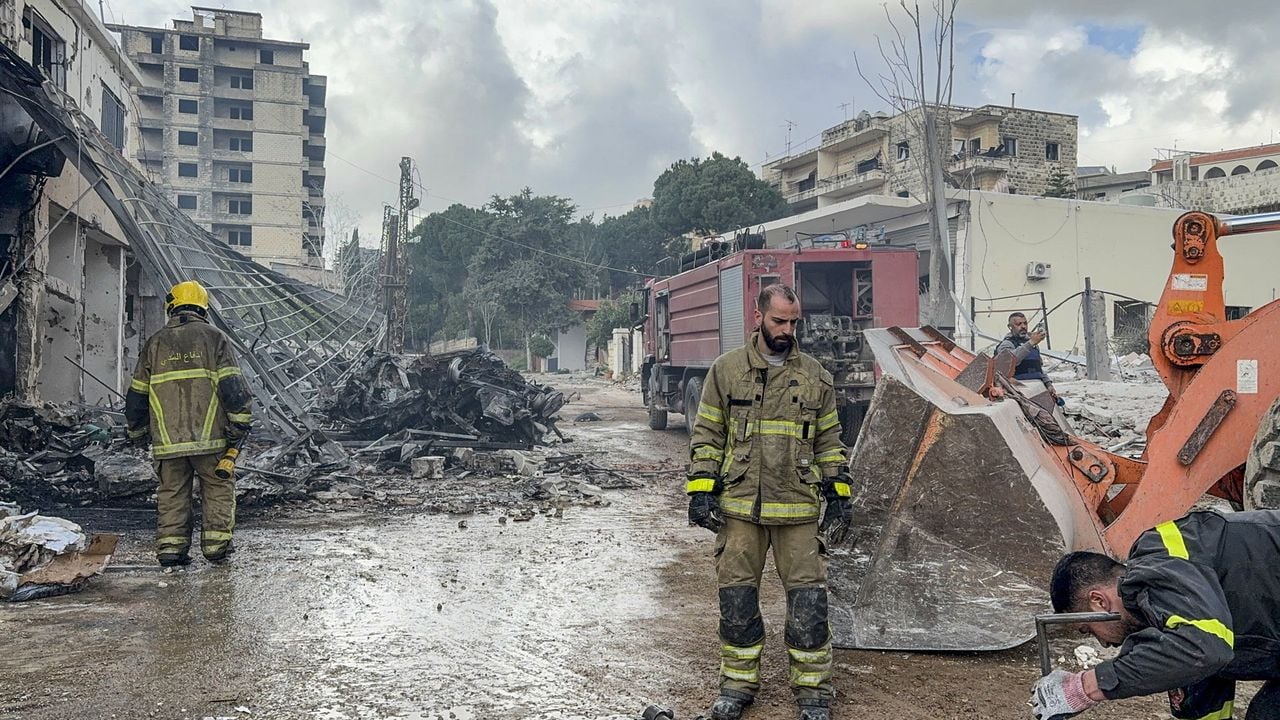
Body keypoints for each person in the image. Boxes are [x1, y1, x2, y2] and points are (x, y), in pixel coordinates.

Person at [686, 283, 853, 720]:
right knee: (737, 599)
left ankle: (814, 689)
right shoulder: (726, 371)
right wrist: (701, 489)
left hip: (797, 506)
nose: (788, 329)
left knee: (808, 602)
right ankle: (737, 684)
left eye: (794, 321)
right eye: (780, 320)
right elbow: (707, 435)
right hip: (740, 506)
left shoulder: (816, 376)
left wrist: (838, 493)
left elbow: (831, 441)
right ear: (758, 317)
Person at [1030, 509, 1280, 720]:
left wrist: (1085, 687)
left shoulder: (1159, 557)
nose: (1103, 642)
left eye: (1088, 630)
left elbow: (1204, 650)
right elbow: (1202, 672)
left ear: (1098, 601)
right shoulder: (1175, 611)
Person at [124, 280, 253, 568]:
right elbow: (233, 388)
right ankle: (216, 547)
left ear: (172, 305)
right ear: (203, 308)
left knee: (172, 493)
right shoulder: (214, 338)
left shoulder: (155, 343)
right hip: (211, 440)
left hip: (167, 442)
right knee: (217, 487)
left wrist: (137, 431)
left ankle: (171, 550)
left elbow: (136, 396)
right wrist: (239, 424)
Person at [994, 311, 1060, 404]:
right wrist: (1031, 343)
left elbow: (1038, 367)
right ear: (1010, 327)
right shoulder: (1007, 344)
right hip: (1020, 391)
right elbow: (1010, 362)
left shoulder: (1032, 344)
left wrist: (1048, 384)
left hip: (1037, 389)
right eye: (1018, 324)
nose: (1023, 326)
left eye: (1025, 323)